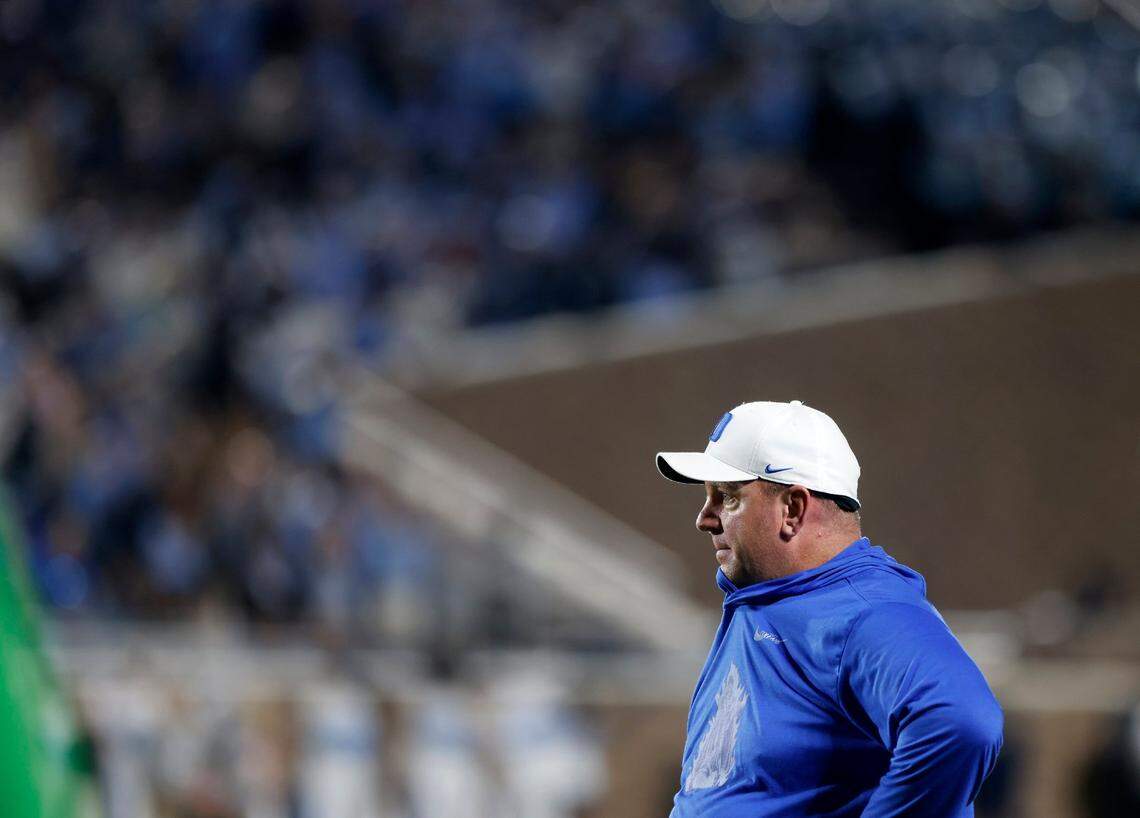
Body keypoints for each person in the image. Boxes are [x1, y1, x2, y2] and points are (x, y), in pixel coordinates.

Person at [656, 400, 1003, 817]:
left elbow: (961, 724)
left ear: (793, 509)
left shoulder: (867, 610)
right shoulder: (770, 594)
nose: (704, 519)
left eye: (727, 497)